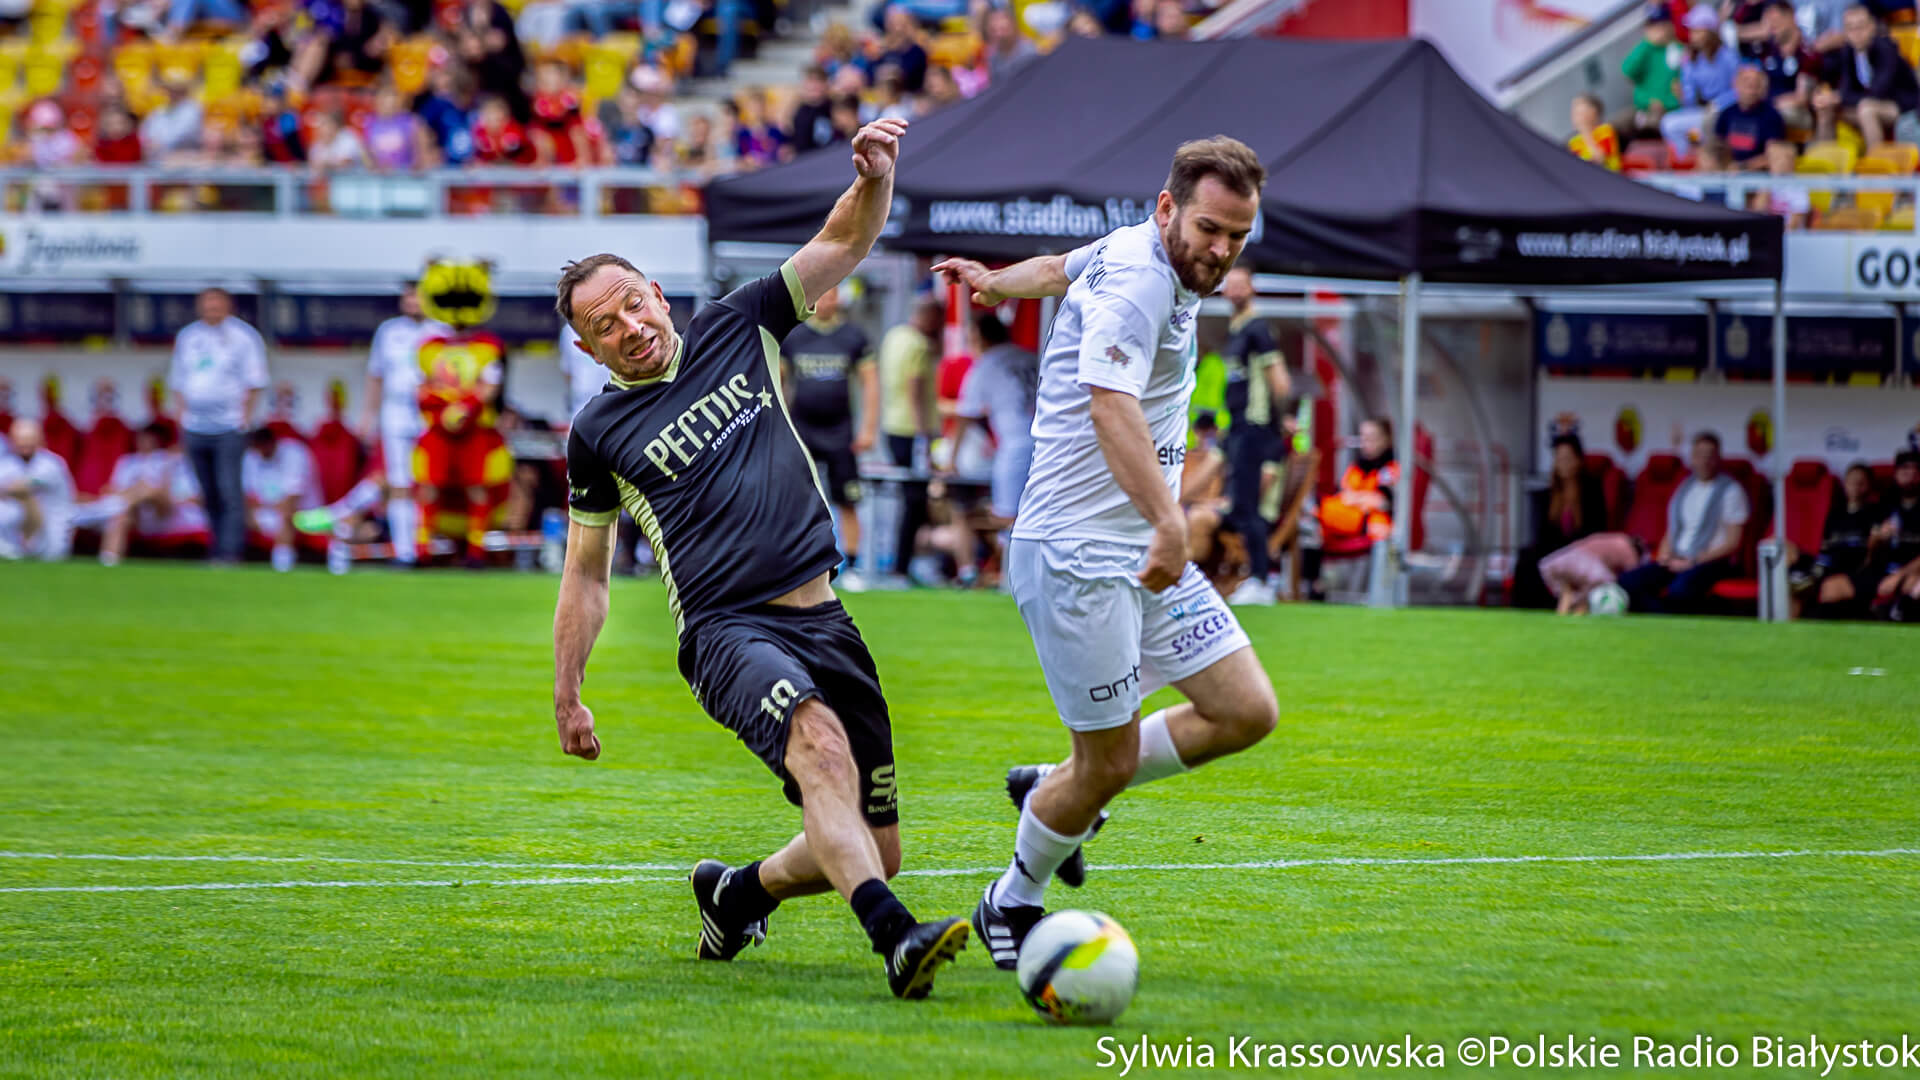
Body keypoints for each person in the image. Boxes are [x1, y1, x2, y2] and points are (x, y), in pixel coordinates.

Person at [551, 116, 971, 999]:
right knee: (818, 746)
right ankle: (896, 940)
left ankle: (736, 894)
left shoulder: (738, 323)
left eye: (633, 304)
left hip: (827, 617)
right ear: (588, 349)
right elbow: (586, 573)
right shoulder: (596, 433)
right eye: (604, 325)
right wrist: (569, 690)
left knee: (877, 844)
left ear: (658, 295)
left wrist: (875, 178)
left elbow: (842, 242)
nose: (629, 327)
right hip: (726, 631)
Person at [932, 136, 1279, 969]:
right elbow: (1110, 406)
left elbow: (1059, 267)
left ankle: (1054, 784)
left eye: (1237, 236)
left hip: (1135, 545)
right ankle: (1011, 900)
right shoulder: (1138, 283)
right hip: (1079, 554)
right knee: (1110, 762)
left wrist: (995, 281)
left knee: (1244, 711)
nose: (1221, 251)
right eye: (1209, 229)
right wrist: (1170, 522)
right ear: (1167, 208)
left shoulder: (1133, 247)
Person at [778, 282, 876, 586]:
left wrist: (868, 428)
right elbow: (777, 381)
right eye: (820, 296)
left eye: (831, 296)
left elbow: (870, 384)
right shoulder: (794, 336)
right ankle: (797, 563)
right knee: (796, 499)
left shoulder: (854, 337)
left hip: (840, 432)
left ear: (838, 299)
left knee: (848, 499)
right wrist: (777, 426)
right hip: (802, 430)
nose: (825, 302)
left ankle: (854, 567)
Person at [168, 287, 267, 565]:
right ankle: (215, 546)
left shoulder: (244, 337)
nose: (212, 308)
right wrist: (182, 418)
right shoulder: (188, 336)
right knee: (207, 491)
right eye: (207, 303)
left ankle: (231, 551)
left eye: (217, 303)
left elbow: (255, 381)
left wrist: (245, 418)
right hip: (195, 426)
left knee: (229, 490)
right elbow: (178, 381)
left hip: (229, 426)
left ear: (228, 305)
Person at [357, 282, 449, 566]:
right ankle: (404, 550)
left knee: (427, 479)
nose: (413, 303)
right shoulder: (388, 331)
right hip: (396, 409)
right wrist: (368, 415)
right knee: (399, 480)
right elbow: (376, 376)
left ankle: (426, 543)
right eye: (408, 297)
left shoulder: (441, 331)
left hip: (430, 412)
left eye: (417, 297)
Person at [1215, 266, 1291, 606]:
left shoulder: (1258, 328)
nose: (1233, 290)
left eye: (1239, 284)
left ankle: (1261, 579)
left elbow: (1280, 381)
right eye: (1228, 284)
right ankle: (1256, 576)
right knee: (1239, 504)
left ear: (1251, 289)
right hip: (1237, 428)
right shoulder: (1236, 329)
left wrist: (1280, 419)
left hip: (1253, 428)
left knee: (1249, 506)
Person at [946, 311, 1039, 585]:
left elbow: (965, 414)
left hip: (1014, 447)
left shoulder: (986, 365)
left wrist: (951, 459)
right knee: (1034, 512)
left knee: (1007, 517)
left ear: (979, 337)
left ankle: (1011, 580)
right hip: (1046, 443)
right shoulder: (1030, 357)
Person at [1616, 431, 1749, 613]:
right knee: (1628, 582)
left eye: (1709, 456)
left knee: (1680, 591)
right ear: (1692, 458)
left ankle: (1663, 616)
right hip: (1677, 558)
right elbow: (1673, 530)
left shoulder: (1731, 491)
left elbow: (1733, 543)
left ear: (1718, 458)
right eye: (1700, 455)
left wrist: (1693, 561)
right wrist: (1664, 556)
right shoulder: (1685, 488)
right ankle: (1661, 616)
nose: (1704, 461)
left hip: (1711, 561)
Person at [876, 297, 942, 580]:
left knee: (909, 499)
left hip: (891, 426)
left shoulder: (894, 337)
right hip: (911, 430)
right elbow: (915, 389)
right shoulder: (918, 345)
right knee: (915, 501)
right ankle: (902, 566)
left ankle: (902, 563)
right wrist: (923, 435)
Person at [1297, 417, 1398, 601]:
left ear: (1386, 440)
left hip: (1370, 524)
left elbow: (1382, 501)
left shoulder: (1390, 468)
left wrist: (1356, 498)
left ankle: (1313, 585)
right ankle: (1312, 585)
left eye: (1372, 438)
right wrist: (1359, 498)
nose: (1366, 443)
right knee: (1312, 527)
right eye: (1363, 438)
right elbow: (1344, 494)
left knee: (1315, 512)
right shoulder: (1357, 466)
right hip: (1346, 520)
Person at [97, 421, 206, 565]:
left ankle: (109, 509)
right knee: (121, 517)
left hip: (167, 511)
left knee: (146, 491)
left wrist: (152, 485)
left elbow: (191, 496)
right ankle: (109, 560)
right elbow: (112, 490)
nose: (144, 441)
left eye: (148, 438)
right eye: (141, 438)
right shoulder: (127, 461)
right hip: (138, 514)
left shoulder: (170, 459)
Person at [1813, 4, 1920, 148]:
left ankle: (1875, 158)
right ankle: (1826, 157)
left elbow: (1877, 92)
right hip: (1868, 103)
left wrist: (1839, 97)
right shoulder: (1848, 51)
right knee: (1827, 107)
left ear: (1872, 27)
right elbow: (1846, 88)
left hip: (1901, 107)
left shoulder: (1886, 49)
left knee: (1867, 109)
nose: (1856, 33)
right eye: (1850, 28)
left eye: (1860, 27)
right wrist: (1832, 99)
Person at [1790, 461, 1881, 617]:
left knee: (1829, 587)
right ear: (1845, 484)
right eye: (1852, 481)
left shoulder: (1875, 512)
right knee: (1795, 579)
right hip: (1828, 566)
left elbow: (1872, 557)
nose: (1856, 486)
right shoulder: (1835, 513)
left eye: (1861, 482)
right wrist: (1817, 569)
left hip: (1854, 570)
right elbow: (1825, 548)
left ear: (1869, 486)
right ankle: (1789, 626)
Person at [1661, 5, 1741, 157]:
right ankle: (1685, 160)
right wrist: (1682, 95)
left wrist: (1718, 104)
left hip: (1727, 112)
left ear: (1710, 32)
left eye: (1697, 31)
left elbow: (1738, 90)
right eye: (1691, 31)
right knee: (1668, 122)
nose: (1692, 36)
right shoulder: (1690, 58)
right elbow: (1689, 99)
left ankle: (1710, 158)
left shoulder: (1728, 57)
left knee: (1707, 124)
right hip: (1702, 111)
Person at [241, 425, 321, 571]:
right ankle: (230, 560)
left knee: (286, 515)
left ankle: (282, 566)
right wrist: (252, 513)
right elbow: (248, 497)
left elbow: (292, 499)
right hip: (266, 511)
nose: (259, 453)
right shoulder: (251, 456)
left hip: (304, 513)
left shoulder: (295, 453)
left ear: (271, 443)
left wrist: (269, 507)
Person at [0, 418, 77, 561]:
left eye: (29, 440)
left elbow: (22, 487)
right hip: (16, 528)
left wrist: (5, 489)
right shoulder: (6, 463)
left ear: (40, 440)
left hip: (51, 530)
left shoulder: (51, 463)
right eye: (20, 441)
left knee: (25, 496)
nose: (25, 446)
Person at [1870, 449, 1920, 620]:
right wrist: (1878, 539)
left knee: (1913, 585)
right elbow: (1872, 554)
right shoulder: (1885, 504)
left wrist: (1899, 575)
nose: (1911, 474)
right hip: (1885, 569)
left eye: (1916, 469)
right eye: (1905, 468)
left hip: (1911, 572)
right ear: (1896, 473)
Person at [1619, 5, 1681, 141]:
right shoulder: (1645, 49)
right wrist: (1647, 43)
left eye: (1659, 24)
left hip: (1667, 109)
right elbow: (1627, 71)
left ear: (1669, 25)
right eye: (1651, 25)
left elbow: (1680, 87)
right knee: (1617, 125)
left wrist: (1665, 103)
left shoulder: (1677, 50)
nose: (1655, 29)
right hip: (1643, 107)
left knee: (1652, 125)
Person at [1755, 0, 1819, 131]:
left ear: (1791, 17)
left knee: (1779, 115)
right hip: (1769, 107)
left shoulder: (1807, 53)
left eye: (1775, 21)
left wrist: (1770, 106)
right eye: (1768, 22)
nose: (1771, 26)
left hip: (1796, 112)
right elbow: (1762, 87)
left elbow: (1801, 98)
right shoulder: (1768, 50)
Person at [1713, 65, 1787, 167]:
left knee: (1782, 156)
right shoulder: (1726, 114)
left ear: (1762, 88)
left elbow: (1773, 155)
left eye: (1756, 83)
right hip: (1728, 168)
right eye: (1746, 81)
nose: (1751, 86)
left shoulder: (1772, 116)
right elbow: (1719, 146)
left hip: (1758, 171)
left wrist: (1743, 167)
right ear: (1736, 84)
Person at [1568, 92, 1622, 170]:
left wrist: (1585, 130)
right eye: (1573, 113)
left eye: (1578, 113)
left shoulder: (1605, 131)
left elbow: (1600, 159)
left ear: (1593, 112)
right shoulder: (1574, 143)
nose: (1574, 117)